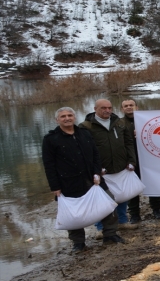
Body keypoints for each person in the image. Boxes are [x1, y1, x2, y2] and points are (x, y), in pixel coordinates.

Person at [42, 107, 124, 253]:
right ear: (57, 120)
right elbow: (49, 165)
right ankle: (78, 243)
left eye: (69, 115)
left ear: (74, 117)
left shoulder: (84, 133)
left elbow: (95, 155)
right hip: (68, 182)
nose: (67, 118)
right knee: (74, 213)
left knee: (109, 204)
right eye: (63, 116)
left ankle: (110, 234)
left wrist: (97, 173)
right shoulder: (50, 139)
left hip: (93, 179)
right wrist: (55, 186)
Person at [81, 99, 137, 239]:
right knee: (101, 199)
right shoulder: (86, 126)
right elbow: (85, 151)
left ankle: (123, 221)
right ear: (95, 109)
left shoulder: (119, 123)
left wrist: (131, 160)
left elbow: (128, 142)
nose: (107, 110)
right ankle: (100, 227)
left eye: (109, 107)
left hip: (120, 166)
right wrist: (95, 168)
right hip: (101, 170)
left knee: (122, 195)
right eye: (103, 108)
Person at [120, 99, 160, 222]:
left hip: (149, 159)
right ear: (122, 109)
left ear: (137, 107)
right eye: (126, 106)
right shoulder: (119, 123)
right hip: (131, 160)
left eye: (131, 105)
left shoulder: (147, 120)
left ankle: (157, 209)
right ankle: (134, 214)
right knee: (132, 189)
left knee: (153, 185)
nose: (129, 107)